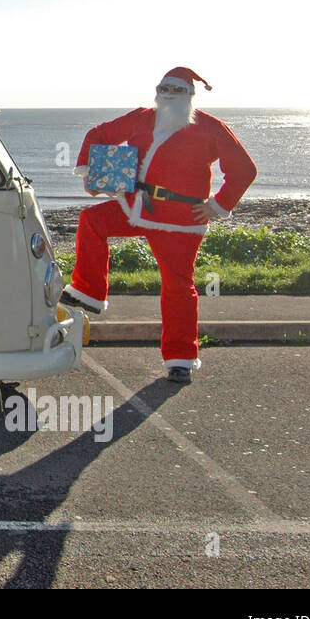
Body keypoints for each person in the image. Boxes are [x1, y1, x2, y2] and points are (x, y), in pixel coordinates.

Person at [60, 67, 257, 384]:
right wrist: (95, 172)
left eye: (176, 90)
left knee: (178, 287)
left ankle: (180, 360)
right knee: (92, 220)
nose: (169, 94)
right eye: (164, 88)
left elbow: (245, 169)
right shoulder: (141, 118)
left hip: (182, 221)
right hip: (139, 207)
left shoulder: (210, 128)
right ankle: (88, 291)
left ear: (189, 95)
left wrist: (217, 206)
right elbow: (99, 134)